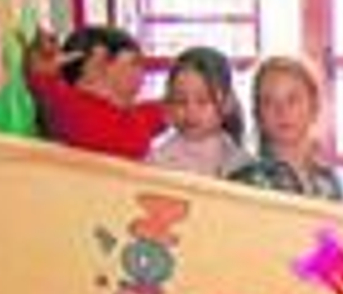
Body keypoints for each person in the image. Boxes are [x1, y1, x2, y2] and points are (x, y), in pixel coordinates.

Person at [24, 24, 165, 160]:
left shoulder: (121, 115)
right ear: (97, 62)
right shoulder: (71, 109)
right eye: (134, 63)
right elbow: (43, 78)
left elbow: (160, 111)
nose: (142, 72)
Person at [228, 55, 343, 199]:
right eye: (269, 101)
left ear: (314, 107)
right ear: (258, 113)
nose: (282, 111)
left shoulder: (329, 180)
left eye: (293, 100)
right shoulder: (243, 183)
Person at [145, 46, 252, 179]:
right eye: (181, 101)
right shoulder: (157, 163)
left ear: (227, 103)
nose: (191, 111)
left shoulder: (242, 162)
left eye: (203, 101)